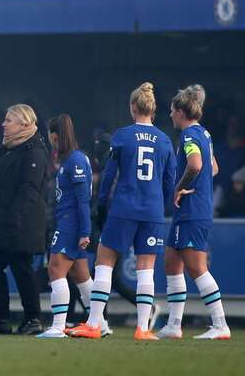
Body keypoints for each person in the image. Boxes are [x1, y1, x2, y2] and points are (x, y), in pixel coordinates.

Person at [69, 82, 176, 341]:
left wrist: (102, 203)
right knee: (146, 269)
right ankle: (143, 328)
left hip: (124, 207)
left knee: (104, 263)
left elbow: (109, 175)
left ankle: (94, 323)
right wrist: (159, 205)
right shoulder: (165, 140)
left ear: (132, 107)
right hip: (152, 211)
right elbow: (170, 181)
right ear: (153, 109)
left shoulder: (122, 135)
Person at [158, 84, 231, 340]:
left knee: (196, 267)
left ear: (180, 112)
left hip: (193, 211)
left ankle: (220, 325)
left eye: (171, 110)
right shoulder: (205, 134)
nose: (170, 115)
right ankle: (174, 325)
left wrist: (181, 187)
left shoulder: (189, 136)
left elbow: (197, 165)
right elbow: (214, 168)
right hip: (190, 211)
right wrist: (198, 186)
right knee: (171, 261)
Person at [0, 104, 48, 336]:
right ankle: (0, 318)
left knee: (21, 269)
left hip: (19, 223)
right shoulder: (8, 148)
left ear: (24, 124)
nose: (3, 124)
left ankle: (33, 318)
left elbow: (30, 189)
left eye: (9, 120)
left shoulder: (34, 150)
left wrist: (15, 218)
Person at [37, 114, 95, 338]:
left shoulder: (75, 160)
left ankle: (58, 326)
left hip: (71, 224)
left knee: (55, 269)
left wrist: (85, 231)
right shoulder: (71, 160)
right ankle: (99, 323)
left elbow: (83, 200)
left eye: (51, 138)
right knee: (81, 276)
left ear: (55, 136)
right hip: (70, 222)